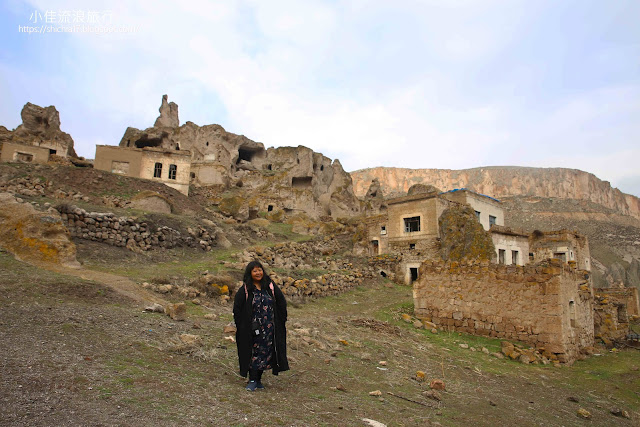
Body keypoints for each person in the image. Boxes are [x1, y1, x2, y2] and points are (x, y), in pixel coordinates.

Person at [233, 260, 289, 391]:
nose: (258, 273)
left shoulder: (269, 286)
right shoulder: (246, 289)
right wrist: (241, 326)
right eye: (254, 271)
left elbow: (281, 302)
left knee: (266, 352)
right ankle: (252, 379)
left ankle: (258, 379)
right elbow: (237, 308)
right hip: (252, 329)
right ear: (250, 273)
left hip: (269, 328)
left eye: (259, 270)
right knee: (253, 352)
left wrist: (282, 319)